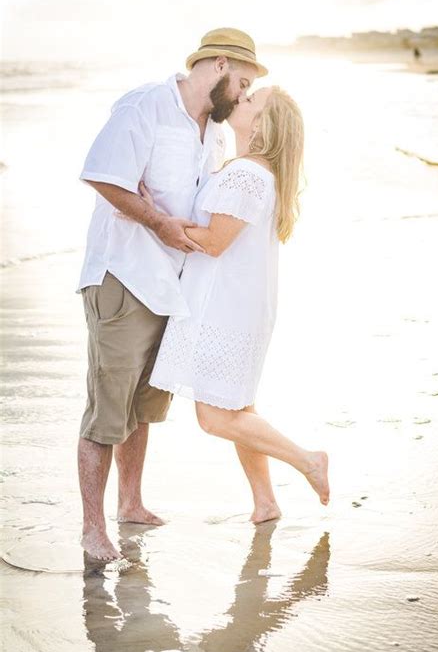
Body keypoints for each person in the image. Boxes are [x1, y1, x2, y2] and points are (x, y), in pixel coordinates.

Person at [77, 29, 277, 561]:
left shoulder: (212, 131)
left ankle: (131, 503)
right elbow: (103, 176)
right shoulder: (146, 105)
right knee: (106, 408)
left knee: (143, 406)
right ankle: (93, 529)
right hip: (124, 276)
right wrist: (159, 221)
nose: (241, 97)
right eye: (241, 83)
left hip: (174, 286)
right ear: (216, 64)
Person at [143, 86, 330, 509]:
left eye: (250, 102)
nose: (239, 102)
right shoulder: (260, 173)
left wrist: (156, 221)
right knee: (238, 404)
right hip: (240, 305)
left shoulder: (247, 174)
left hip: (222, 309)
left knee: (215, 417)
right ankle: (265, 501)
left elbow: (214, 242)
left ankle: (308, 461)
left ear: (263, 124)